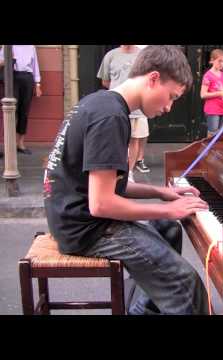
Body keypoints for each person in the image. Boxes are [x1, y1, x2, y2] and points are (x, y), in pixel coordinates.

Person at [43, 45, 210, 315]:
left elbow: (111, 185)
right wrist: (168, 209)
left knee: (168, 228)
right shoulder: (110, 117)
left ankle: (144, 308)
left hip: (73, 217)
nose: (168, 107)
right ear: (153, 78)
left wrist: (161, 193)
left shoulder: (101, 102)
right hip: (85, 230)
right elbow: (101, 204)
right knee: (184, 284)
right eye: (171, 97)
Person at [97, 45, 150, 183]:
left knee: (135, 139)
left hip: (138, 107)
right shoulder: (110, 55)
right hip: (116, 108)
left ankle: (129, 173)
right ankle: (115, 172)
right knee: (115, 140)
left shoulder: (143, 55)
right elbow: (105, 81)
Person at [0, 45, 42, 155]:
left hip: (27, 78)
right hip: (12, 77)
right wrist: (8, 60)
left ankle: (20, 143)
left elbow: (35, 66)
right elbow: (0, 61)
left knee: (24, 112)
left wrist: (37, 85)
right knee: (12, 110)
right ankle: (10, 144)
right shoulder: (8, 46)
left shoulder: (31, 47)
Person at [200, 49, 223, 137]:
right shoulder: (208, 76)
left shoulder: (222, 74)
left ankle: (216, 151)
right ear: (212, 60)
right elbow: (203, 95)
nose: (222, 64)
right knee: (212, 134)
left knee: (221, 134)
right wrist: (220, 94)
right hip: (212, 109)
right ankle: (209, 150)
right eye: (219, 61)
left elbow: (222, 90)